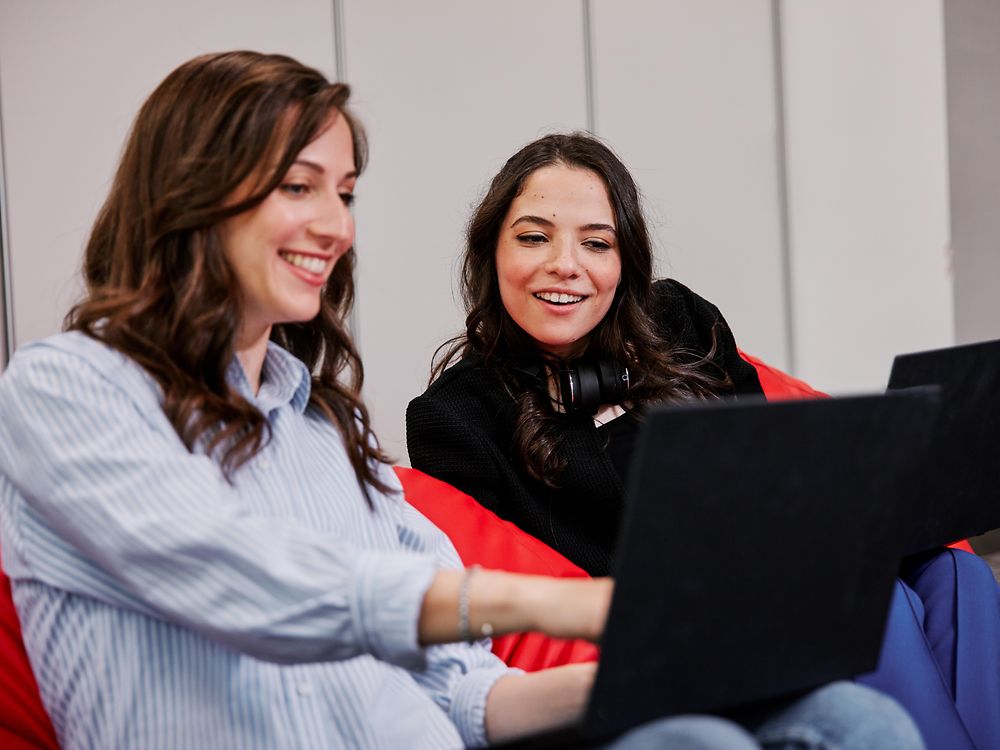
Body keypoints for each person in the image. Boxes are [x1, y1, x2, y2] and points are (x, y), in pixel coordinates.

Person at [0, 52, 924, 750]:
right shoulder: (65, 390)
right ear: (190, 193)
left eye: (347, 192)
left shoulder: (325, 428)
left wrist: (667, 661)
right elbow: (249, 579)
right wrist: (582, 606)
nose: (336, 225)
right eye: (299, 186)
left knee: (839, 716)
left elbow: (468, 694)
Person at [406, 133, 1000, 750]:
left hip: (772, 566)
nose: (565, 264)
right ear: (491, 251)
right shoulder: (454, 417)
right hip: (672, 633)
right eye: (534, 237)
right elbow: (533, 589)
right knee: (883, 605)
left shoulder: (678, 321)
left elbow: (771, 462)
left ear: (624, 260)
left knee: (956, 572)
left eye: (596, 243)